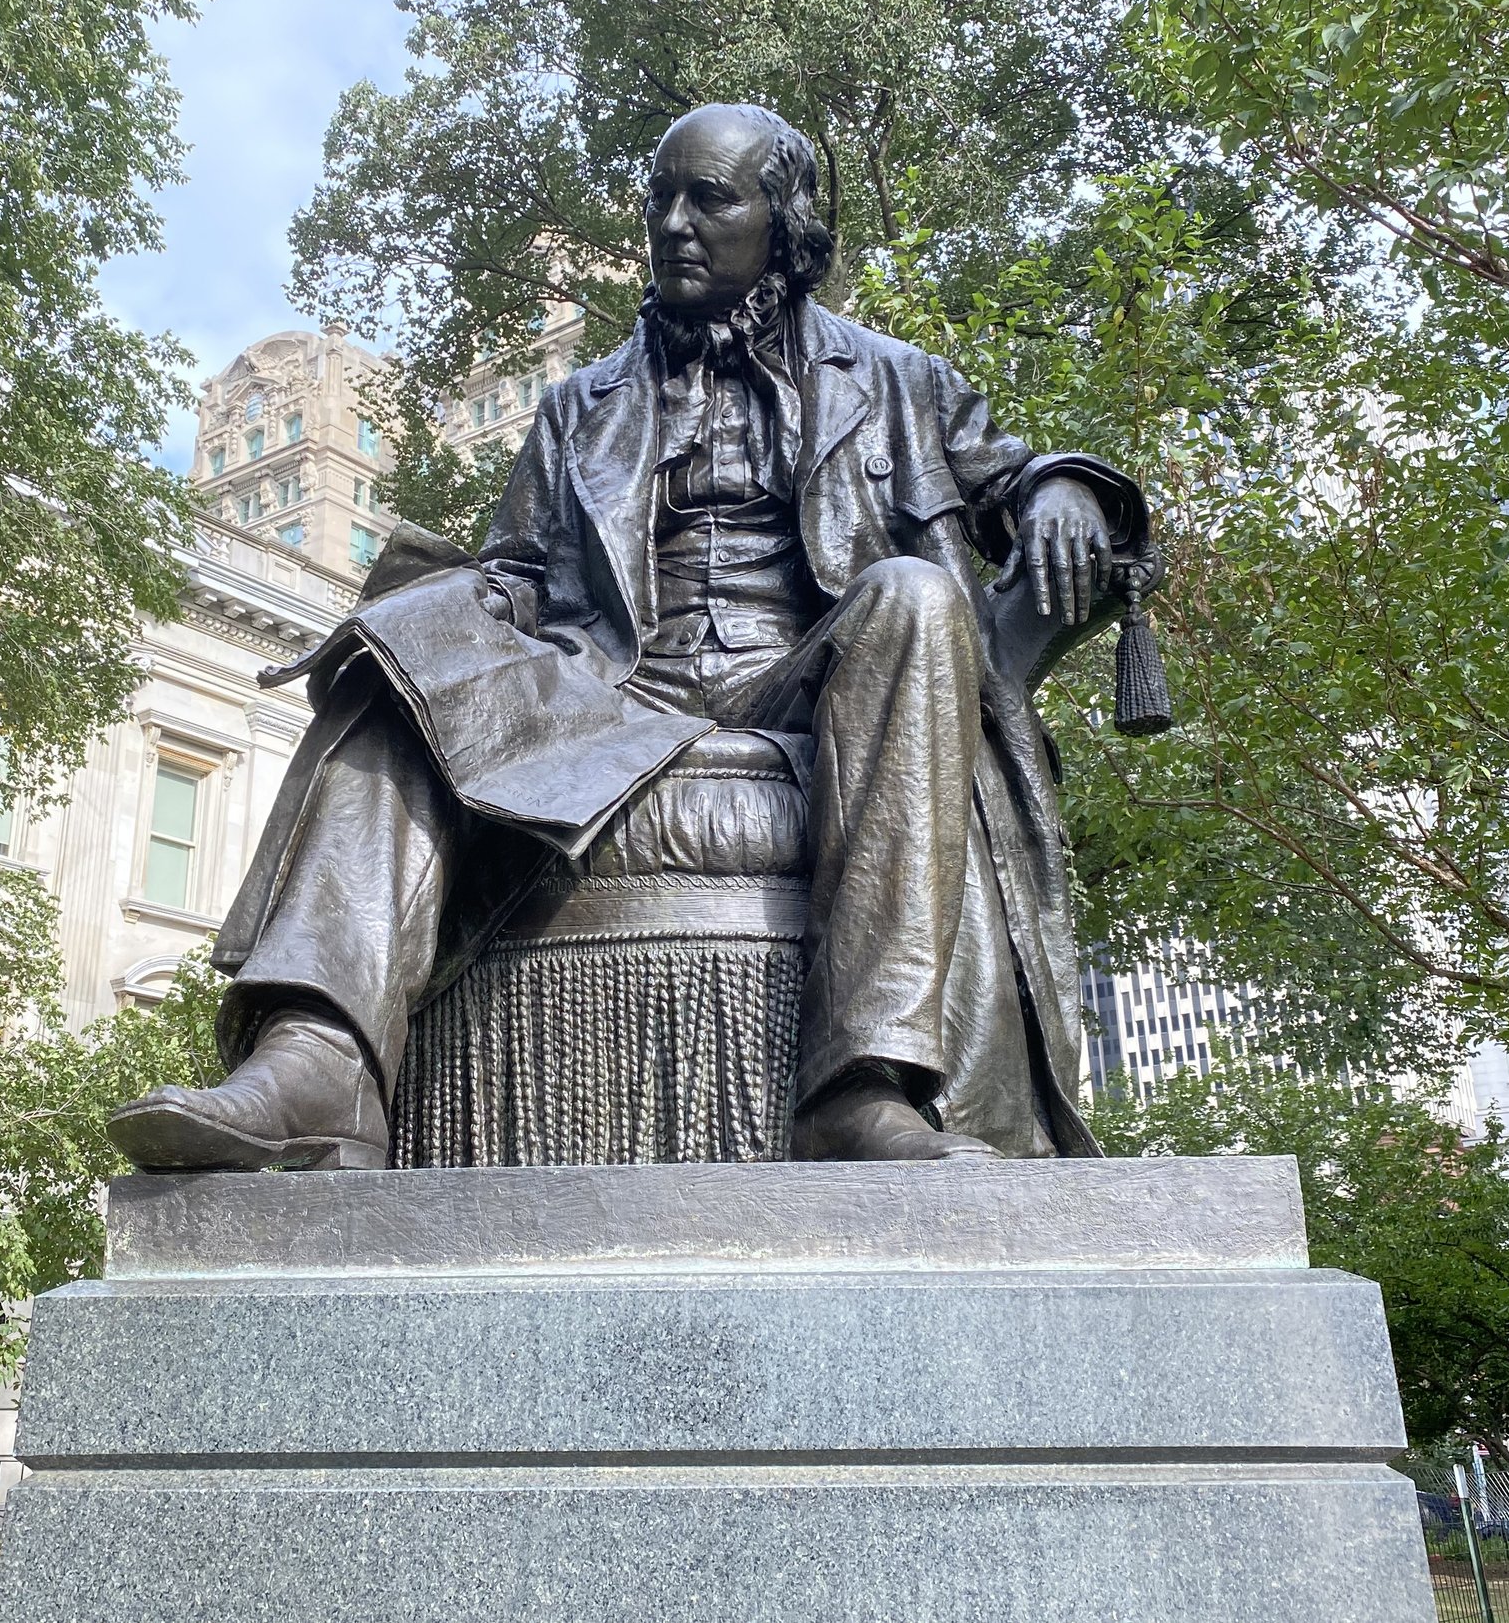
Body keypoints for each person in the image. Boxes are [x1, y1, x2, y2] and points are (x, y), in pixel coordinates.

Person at [110, 102, 1154, 1171]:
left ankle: (861, 1085)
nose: (674, 224)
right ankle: (319, 1055)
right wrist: (433, 627)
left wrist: (1064, 492)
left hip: (812, 678)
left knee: (912, 597)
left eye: (710, 198)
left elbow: (1013, 474)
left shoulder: (894, 378)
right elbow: (517, 571)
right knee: (406, 644)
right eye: (660, 199)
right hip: (613, 696)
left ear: (782, 224)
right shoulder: (580, 406)